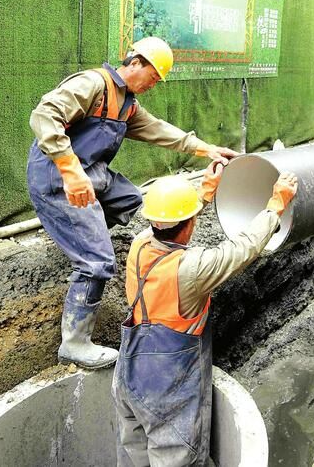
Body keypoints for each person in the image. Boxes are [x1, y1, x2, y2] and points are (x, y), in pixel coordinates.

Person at [27, 37, 238, 369]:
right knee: (98, 262)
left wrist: (206, 149)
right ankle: (74, 342)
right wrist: (70, 171)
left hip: (88, 172)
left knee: (128, 198)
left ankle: (77, 235)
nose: (153, 85)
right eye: (153, 76)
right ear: (136, 62)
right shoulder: (93, 84)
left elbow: (160, 131)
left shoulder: (126, 104)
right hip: (56, 174)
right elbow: (44, 115)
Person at [112, 165, 298, 466]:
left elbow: (166, 220)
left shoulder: (139, 244)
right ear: (189, 224)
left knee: (133, 459)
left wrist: (203, 194)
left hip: (129, 376)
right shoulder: (190, 269)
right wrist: (275, 205)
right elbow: (242, 249)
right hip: (168, 390)